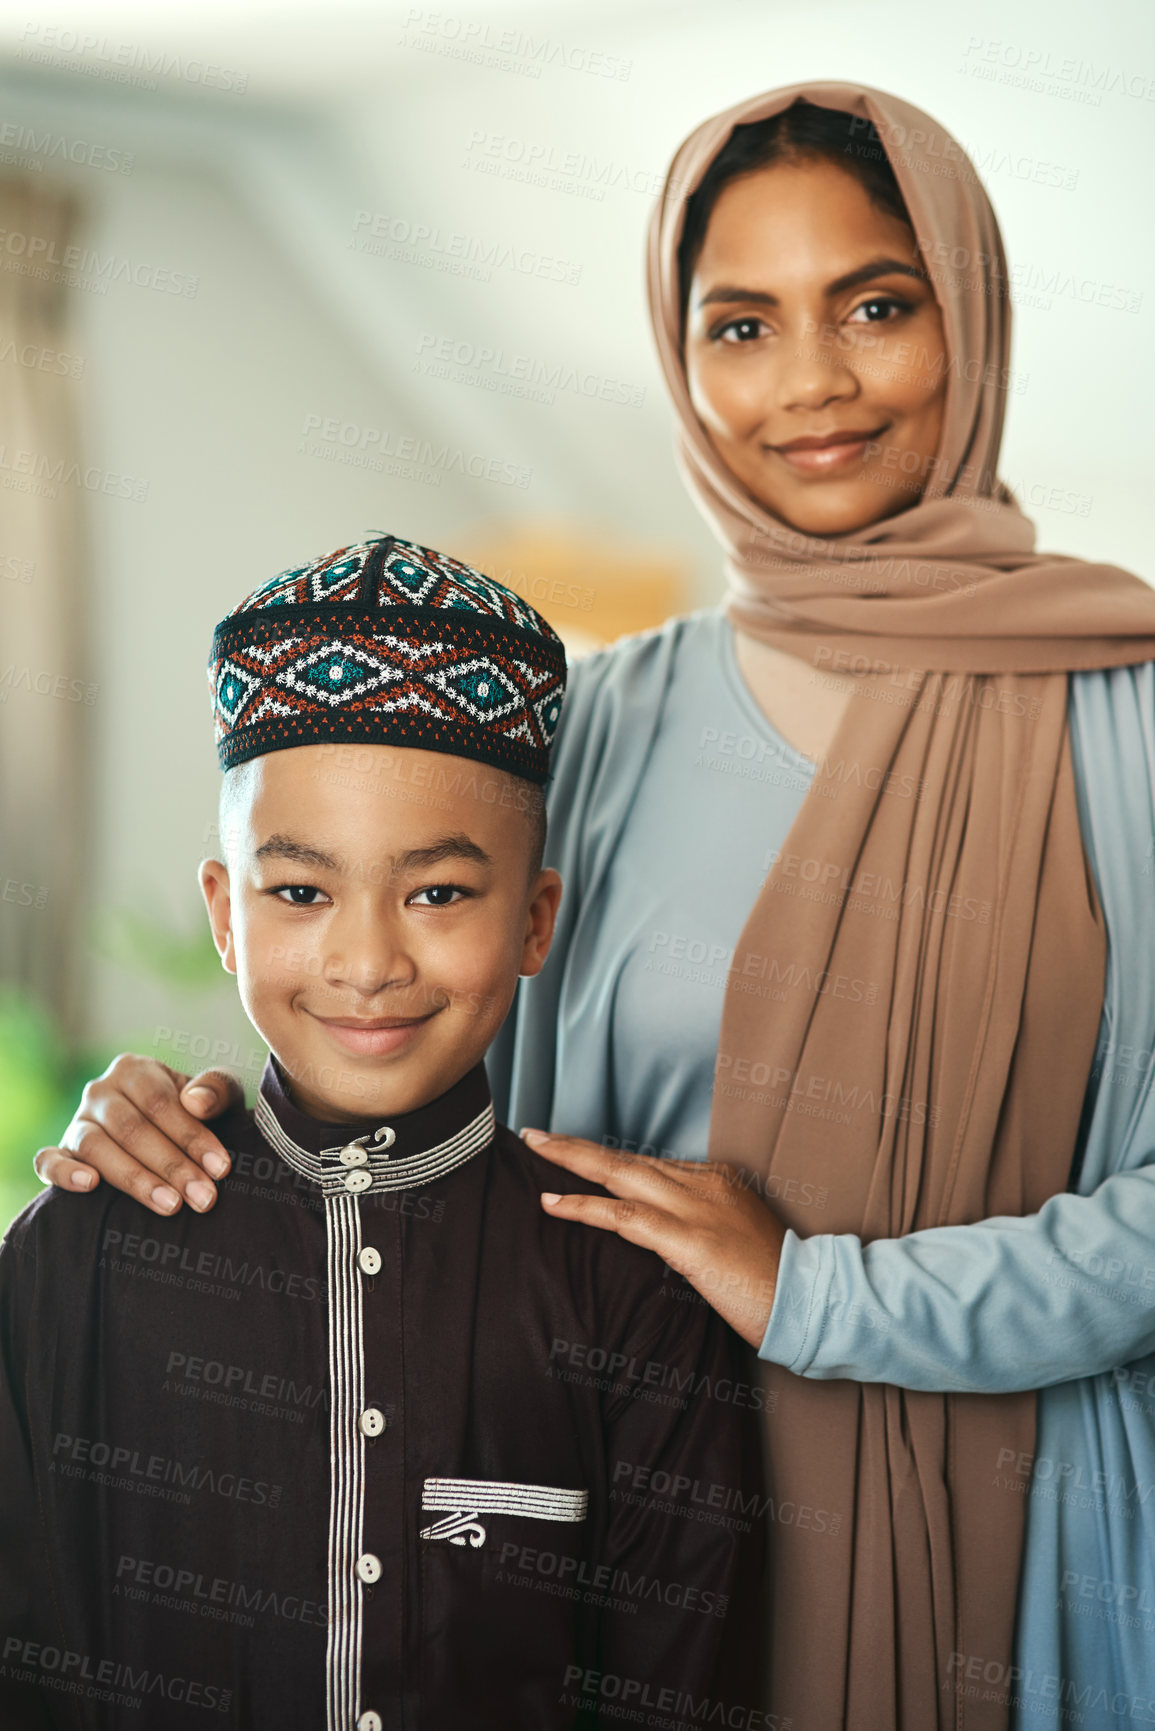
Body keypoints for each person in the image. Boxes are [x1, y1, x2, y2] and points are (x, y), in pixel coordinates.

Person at [34, 83, 1155, 1731]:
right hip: (571, 1507)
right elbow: (394, 985)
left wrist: (829, 1296)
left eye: (875, 305)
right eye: (740, 325)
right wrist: (169, 1122)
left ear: (970, 314)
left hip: (1027, 1536)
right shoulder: (603, 724)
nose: (813, 382)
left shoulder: (1126, 719)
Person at [1, 533, 762, 1730]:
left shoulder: (633, 1293)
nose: (368, 963)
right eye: (300, 893)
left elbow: (684, 1688)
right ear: (224, 915)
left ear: (534, 917)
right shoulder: (83, 1250)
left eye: (440, 894)